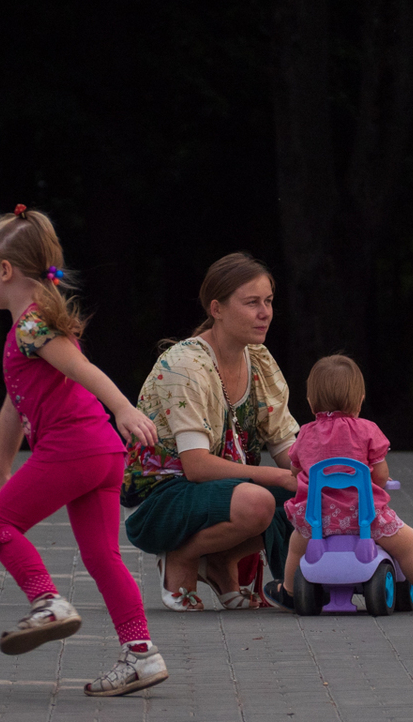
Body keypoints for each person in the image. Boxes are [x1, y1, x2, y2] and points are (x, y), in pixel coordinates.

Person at [0, 204, 169, 697]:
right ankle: (141, 655)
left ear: (5, 270)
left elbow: (84, 371)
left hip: (75, 448)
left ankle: (47, 603)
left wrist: (124, 408)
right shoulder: (31, 327)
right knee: (102, 557)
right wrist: (1, 472)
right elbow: (13, 407)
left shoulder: (32, 326)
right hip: (101, 455)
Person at [122, 253, 300, 611]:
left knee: (314, 496)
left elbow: (289, 449)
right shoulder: (186, 365)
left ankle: (221, 560)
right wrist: (278, 477)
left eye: (268, 301)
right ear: (216, 309)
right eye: (252, 303)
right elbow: (197, 467)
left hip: (221, 492)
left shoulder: (259, 360)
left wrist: (336, 471)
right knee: (260, 501)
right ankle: (182, 557)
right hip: (160, 502)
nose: (265, 313)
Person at [262, 355, 413, 612]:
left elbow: (295, 471)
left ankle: (289, 592)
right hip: (365, 518)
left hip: (317, 522)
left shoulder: (305, 434)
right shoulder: (368, 430)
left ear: (310, 401)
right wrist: (378, 479)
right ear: (359, 400)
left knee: (295, 545)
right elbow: (379, 476)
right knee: (408, 542)